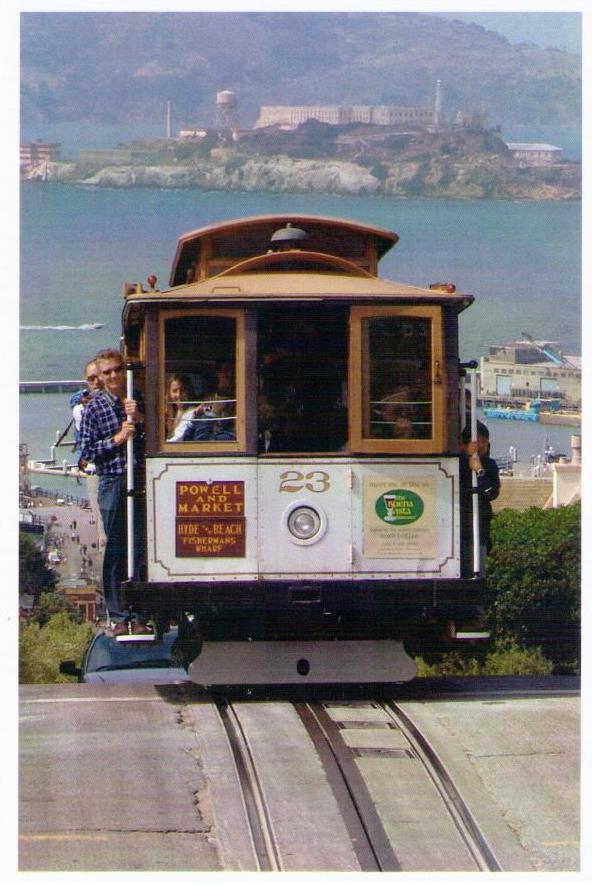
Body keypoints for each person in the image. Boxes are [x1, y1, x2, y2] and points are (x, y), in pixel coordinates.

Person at [79, 348, 145, 626]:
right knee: (117, 547)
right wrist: (118, 438)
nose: (114, 375)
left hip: (139, 479)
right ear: (101, 377)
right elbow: (87, 451)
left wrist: (139, 418)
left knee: (141, 546)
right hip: (113, 481)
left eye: (118, 369)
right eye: (107, 372)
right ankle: (118, 614)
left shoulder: (135, 400)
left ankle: (141, 611)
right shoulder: (93, 409)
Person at [459, 420, 501, 574]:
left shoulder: (489, 465)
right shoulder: (456, 465)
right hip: (460, 529)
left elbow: (491, 492)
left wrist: (480, 471)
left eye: (484, 441)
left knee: (478, 570)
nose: (481, 446)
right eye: (477, 441)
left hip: (480, 530)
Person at [188, 362, 236, 442]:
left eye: (233, 371)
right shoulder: (207, 400)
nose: (230, 374)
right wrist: (194, 421)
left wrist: (213, 413)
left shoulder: (241, 401)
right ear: (218, 373)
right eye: (226, 370)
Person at [165, 374, 199, 442]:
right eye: (174, 391)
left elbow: (178, 439)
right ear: (169, 393)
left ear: (188, 391)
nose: (179, 395)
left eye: (182, 390)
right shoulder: (167, 413)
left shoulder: (192, 413)